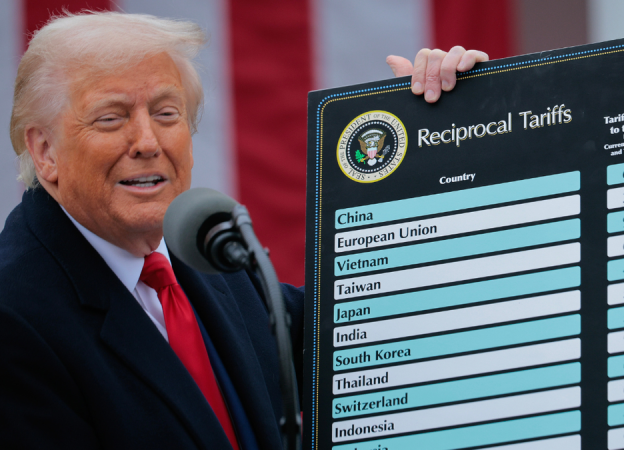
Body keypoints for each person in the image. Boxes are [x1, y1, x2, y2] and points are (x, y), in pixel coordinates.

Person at [0, 11, 488, 450]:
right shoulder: (15, 318)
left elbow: (369, 341)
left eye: (167, 114)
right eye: (111, 118)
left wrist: (438, 139)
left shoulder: (208, 252)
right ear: (44, 151)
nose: (148, 142)